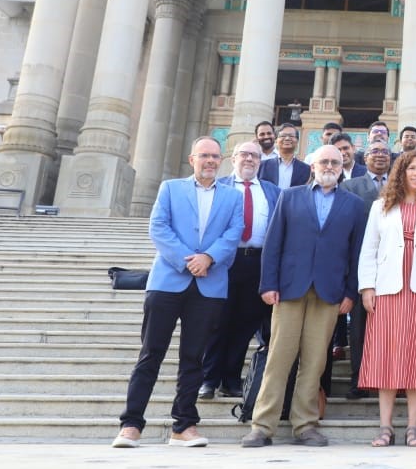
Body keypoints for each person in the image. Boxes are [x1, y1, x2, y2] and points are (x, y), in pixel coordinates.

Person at [112, 137, 244, 449]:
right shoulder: (170, 188)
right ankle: (131, 424)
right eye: (204, 155)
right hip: (168, 282)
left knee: (194, 358)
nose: (210, 161)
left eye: (215, 156)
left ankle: (183, 425)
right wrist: (188, 261)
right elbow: (159, 227)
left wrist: (208, 258)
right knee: (150, 353)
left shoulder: (233, 197)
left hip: (209, 285)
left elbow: (233, 233)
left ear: (221, 160)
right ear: (192, 159)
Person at [240, 145, 368, 448]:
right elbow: (273, 243)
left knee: (315, 361)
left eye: (335, 162)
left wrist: (351, 292)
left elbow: (357, 253)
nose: (329, 166)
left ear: (342, 167)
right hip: (289, 289)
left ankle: (305, 424)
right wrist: (268, 284)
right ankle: (262, 426)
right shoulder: (290, 197)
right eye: (324, 161)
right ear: (313, 166)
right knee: (279, 358)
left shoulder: (354, 205)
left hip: (329, 293)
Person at [357, 149, 416, 447]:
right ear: (401, 172)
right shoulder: (381, 206)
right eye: (412, 168)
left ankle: (413, 427)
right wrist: (367, 287)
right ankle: (385, 427)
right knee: (386, 356)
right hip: (388, 289)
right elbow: (369, 249)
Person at [200, 140, 281, 401]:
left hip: (257, 264)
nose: (249, 159)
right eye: (244, 154)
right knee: (216, 321)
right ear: (233, 158)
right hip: (222, 262)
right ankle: (208, 379)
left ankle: (231, 380)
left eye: (255, 156)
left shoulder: (272, 191)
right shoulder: (218, 186)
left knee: (245, 324)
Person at [340, 141, 397, 398]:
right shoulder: (350, 186)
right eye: (375, 151)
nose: (381, 156)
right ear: (365, 158)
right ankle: (359, 380)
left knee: (392, 327)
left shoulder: (400, 186)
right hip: (360, 264)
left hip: (395, 266)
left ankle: (392, 378)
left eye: (385, 152)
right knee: (360, 327)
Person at [259, 123, 310, 189]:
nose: (287, 138)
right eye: (283, 136)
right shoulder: (262, 166)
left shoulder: (306, 169)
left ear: (297, 141)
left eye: (291, 136)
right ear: (276, 141)